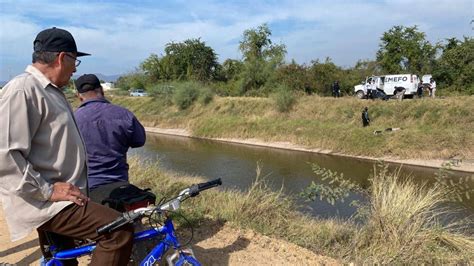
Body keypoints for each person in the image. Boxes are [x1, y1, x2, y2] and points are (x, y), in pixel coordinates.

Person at [0, 27, 133, 265]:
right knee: (118, 230)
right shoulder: (24, 90)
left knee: (63, 261)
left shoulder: (51, 91)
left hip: (61, 197)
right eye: (75, 62)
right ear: (63, 58)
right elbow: (5, 155)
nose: (74, 70)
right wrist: (48, 191)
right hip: (48, 201)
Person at [73, 74, 146, 203]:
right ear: (101, 90)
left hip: (89, 187)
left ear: (79, 95)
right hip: (120, 182)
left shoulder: (73, 119)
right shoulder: (124, 114)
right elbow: (139, 141)